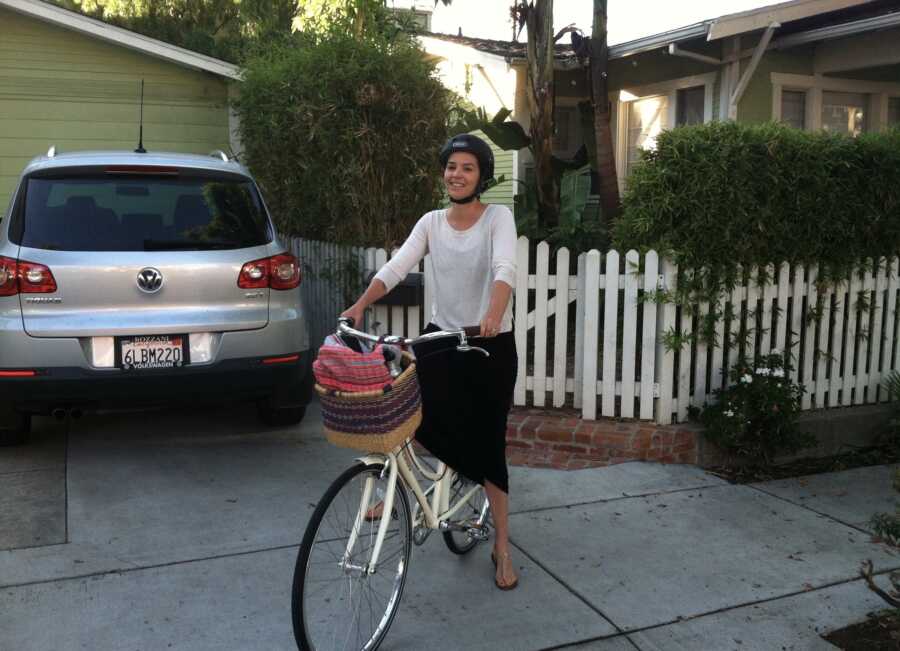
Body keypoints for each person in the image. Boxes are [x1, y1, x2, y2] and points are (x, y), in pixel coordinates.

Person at [341, 133, 519, 590]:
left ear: (481, 176)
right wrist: (360, 305)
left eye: (467, 168)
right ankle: (397, 488)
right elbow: (397, 266)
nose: (457, 175)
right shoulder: (432, 221)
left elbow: (505, 269)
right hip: (441, 340)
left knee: (486, 445)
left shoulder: (498, 217)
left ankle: (502, 545)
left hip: (486, 345)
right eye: (451, 167)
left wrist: (494, 313)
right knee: (408, 416)